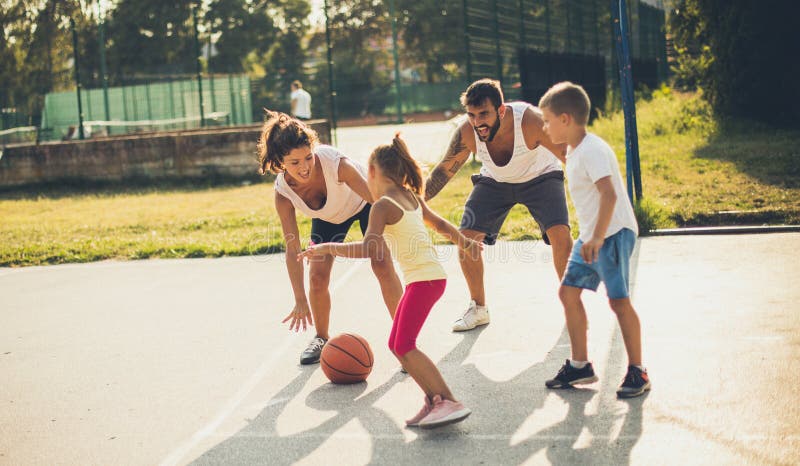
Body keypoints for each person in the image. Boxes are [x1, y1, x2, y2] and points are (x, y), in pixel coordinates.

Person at [299, 135, 481, 428]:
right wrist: (464, 242)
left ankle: (447, 400)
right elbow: (441, 224)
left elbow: (369, 248)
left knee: (404, 344)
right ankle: (434, 400)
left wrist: (327, 247)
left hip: (423, 281)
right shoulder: (411, 197)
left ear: (371, 172)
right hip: (430, 279)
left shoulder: (382, 205)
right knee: (398, 343)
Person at [424, 78, 573, 332]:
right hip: (495, 181)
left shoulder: (531, 121)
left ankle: (573, 306)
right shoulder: (467, 132)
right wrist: (413, 201)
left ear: (501, 110)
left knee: (560, 235)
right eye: (471, 115)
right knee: (466, 238)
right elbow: (443, 172)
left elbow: (569, 156)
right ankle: (479, 308)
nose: (477, 122)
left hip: (541, 176)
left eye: (484, 114)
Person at [258, 111, 402, 365]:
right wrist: (299, 299)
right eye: (294, 162)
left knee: (381, 263)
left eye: (308, 157)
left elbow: (376, 201)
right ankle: (321, 337)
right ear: (280, 163)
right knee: (317, 276)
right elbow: (293, 250)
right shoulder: (283, 193)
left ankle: (404, 340)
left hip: (365, 204)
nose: (304, 167)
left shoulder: (336, 164)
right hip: (328, 217)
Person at [538, 81, 650, 398]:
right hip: (592, 238)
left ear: (565, 119)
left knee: (618, 302)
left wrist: (599, 237)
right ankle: (580, 365)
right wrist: (591, 237)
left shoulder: (593, 150)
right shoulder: (574, 152)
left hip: (612, 235)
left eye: (547, 120)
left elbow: (609, 195)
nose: (544, 127)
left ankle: (637, 371)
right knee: (568, 293)